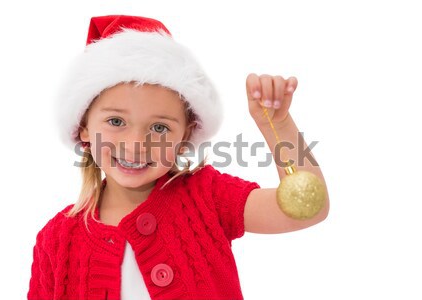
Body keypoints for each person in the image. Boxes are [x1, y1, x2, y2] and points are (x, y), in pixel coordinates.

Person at [27, 15, 329, 300]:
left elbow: (306, 210)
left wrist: (277, 126)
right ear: (83, 127)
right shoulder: (56, 240)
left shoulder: (206, 196)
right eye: (116, 121)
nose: (135, 144)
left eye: (159, 127)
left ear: (185, 137)